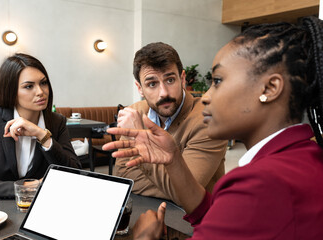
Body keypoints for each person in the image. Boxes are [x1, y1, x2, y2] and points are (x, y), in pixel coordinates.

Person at [103, 16, 323, 239]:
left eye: (217, 81)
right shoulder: (300, 157)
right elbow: (214, 213)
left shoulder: (259, 184)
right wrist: (174, 160)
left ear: (270, 88)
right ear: (140, 88)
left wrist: (144, 238)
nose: (205, 97)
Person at [114, 42, 227, 202]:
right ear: (140, 88)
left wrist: (141, 142)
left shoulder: (207, 118)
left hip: (196, 221)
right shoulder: (136, 113)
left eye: (170, 80)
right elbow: (122, 175)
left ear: (182, 79)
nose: (164, 93)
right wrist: (173, 185)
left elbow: (187, 193)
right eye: (152, 84)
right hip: (147, 210)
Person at [0, 53, 81, 200]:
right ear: (10, 91)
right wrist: (26, 187)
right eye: (29, 86)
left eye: (43, 83)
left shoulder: (57, 122)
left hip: (38, 211)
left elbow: (74, 175)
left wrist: (42, 135)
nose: (40, 92)